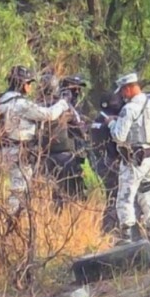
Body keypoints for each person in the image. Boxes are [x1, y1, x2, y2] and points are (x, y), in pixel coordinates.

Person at [0, 65, 70, 215]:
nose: (30, 87)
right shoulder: (21, 104)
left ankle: (1, 218)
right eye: (28, 83)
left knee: (8, 191)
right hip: (19, 152)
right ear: (22, 84)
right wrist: (63, 104)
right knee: (19, 193)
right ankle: (12, 224)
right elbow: (48, 114)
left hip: (0, 153)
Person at [107, 72, 150, 245]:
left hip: (136, 158)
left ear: (129, 88)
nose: (123, 95)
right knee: (148, 195)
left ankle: (126, 237)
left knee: (125, 196)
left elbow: (119, 136)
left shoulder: (130, 108)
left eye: (124, 91)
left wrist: (111, 123)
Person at [38, 74, 89, 211]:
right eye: (73, 89)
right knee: (70, 194)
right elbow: (82, 131)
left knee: (46, 194)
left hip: (40, 157)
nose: (76, 92)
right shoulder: (64, 106)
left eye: (78, 89)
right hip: (64, 157)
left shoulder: (34, 106)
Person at [89, 91, 125, 235]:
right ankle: (110, 229)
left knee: (111, 196)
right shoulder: (108, 122)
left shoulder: (97, 120)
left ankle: (109, 229)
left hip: (100, 162)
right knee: (115, 197)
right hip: (110, 163)